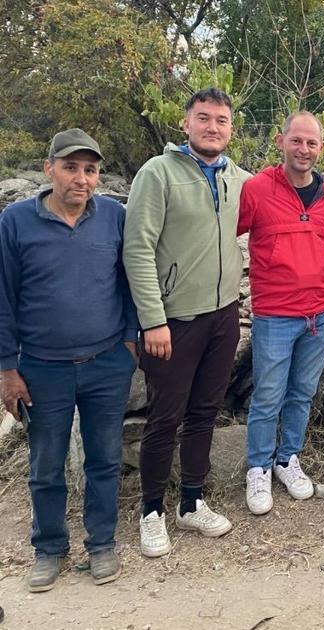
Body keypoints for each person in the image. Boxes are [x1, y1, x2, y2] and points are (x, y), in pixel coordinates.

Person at [0, 129, 138, 591]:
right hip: (42, 368)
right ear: (49, 169)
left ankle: (101, 543)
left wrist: (130, 340)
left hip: (106, 362)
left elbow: (130, 277)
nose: (81, 179)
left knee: (103, 459)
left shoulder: (113, 217)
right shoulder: (16, 222)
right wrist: (7, 368)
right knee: (46, 463)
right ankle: (49, 547)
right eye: (71, 167)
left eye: (91, 170)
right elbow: (3, 299)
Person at [124, 88, 251, 556]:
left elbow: (284, 190)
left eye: (221, 120)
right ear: (186, 123)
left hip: (223, 315)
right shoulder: (157, 174)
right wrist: (151, 320)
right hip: (172, 321)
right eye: (204, 118)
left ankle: (191, 503)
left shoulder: (239, 178)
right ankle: (152, 511)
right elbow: (136, 249)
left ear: (230, 128)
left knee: (204, 414)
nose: (212, 127)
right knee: (164, 417)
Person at [238, 112, 324, 514]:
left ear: (321, 148)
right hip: (275, 315)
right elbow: (221, 236)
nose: (304, 150)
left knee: (302, 393)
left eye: (312, 143)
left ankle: (288, 459)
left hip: (320, 315)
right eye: (297, 141)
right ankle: (258, 468)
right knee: (267, 396)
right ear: (280, 141)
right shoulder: (255, 190)